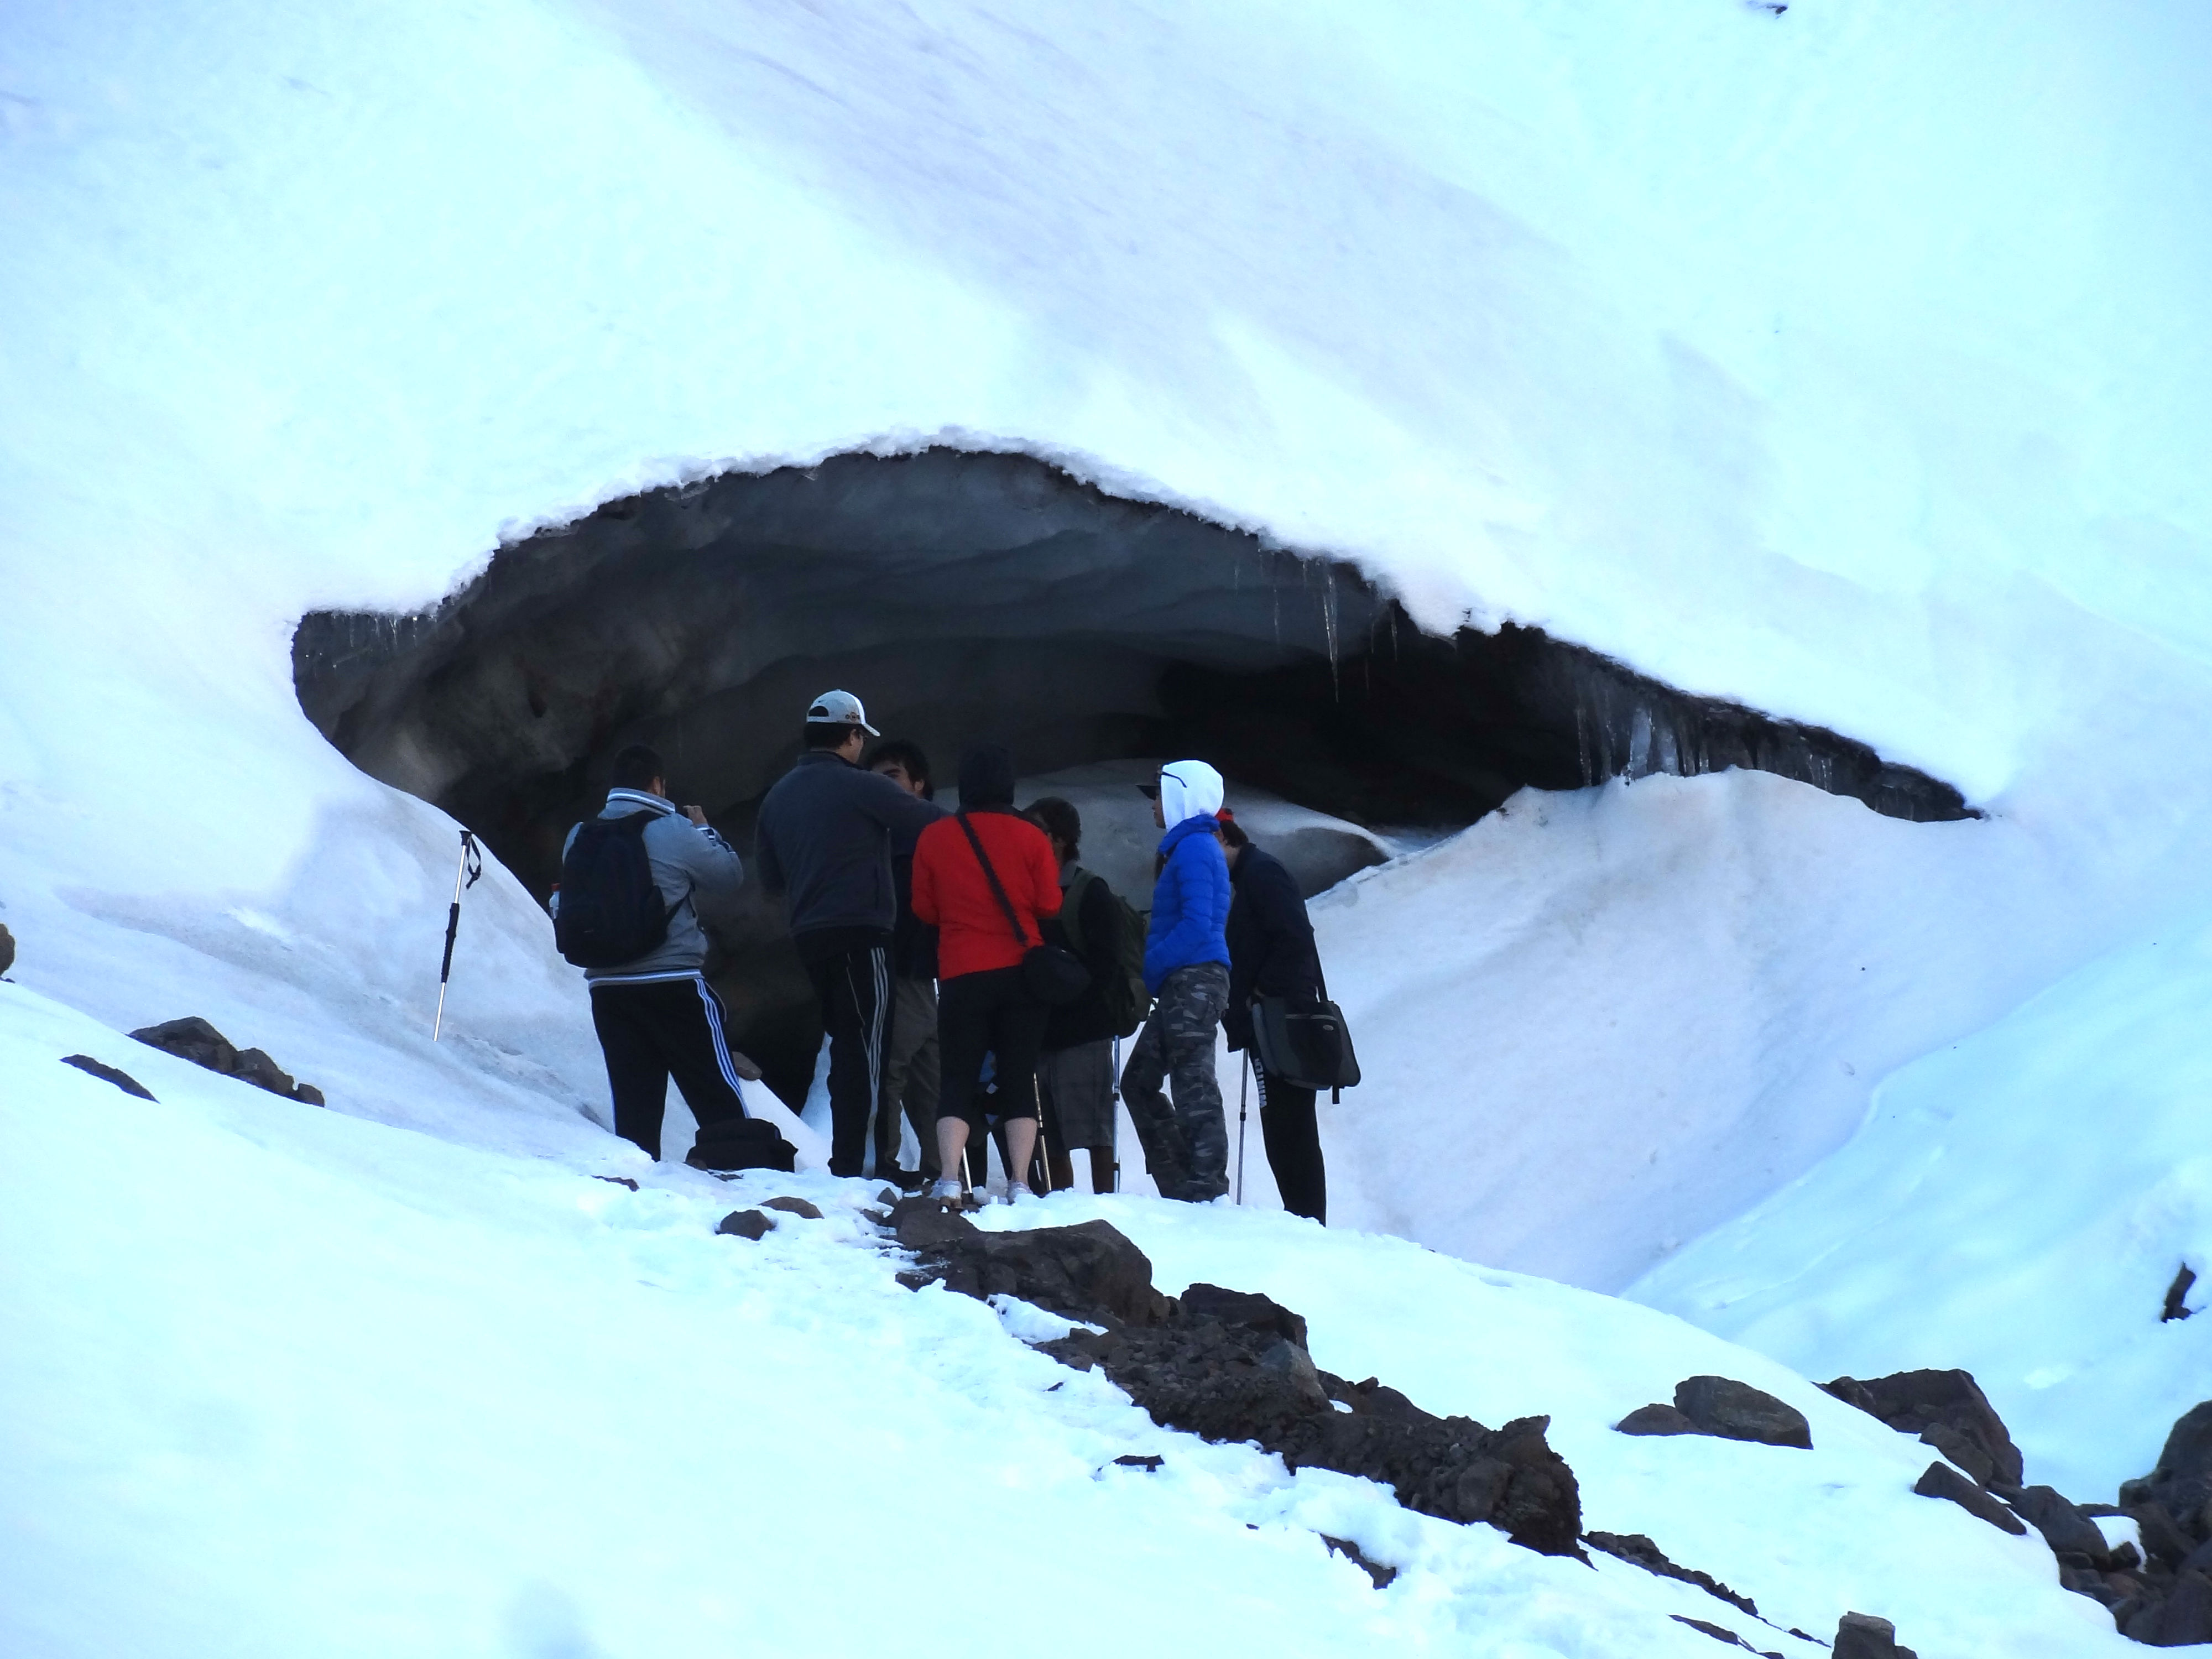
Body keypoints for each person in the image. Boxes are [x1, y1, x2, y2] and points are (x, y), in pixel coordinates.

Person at [754, 691, 943, 1177]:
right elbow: (930, 823)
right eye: (861, 737)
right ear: (852, 735)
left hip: (810, 936)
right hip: (864, 931)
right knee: (870, 1046)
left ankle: (847, 1159)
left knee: (845, 1040)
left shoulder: (778, 796)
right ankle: (869, 1162)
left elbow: (772, 880)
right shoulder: (860, 786)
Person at [559, 743, 750, 1161]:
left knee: (634, 1108)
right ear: (658, 785)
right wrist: (703, 828)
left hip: (608, 990)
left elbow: (565, 905)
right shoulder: (674, 830)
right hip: (674, 985)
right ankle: (753, 1181)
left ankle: (640, 1192)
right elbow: (729, 876)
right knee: (716, 1096)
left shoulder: (580, 835)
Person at [911, 743, 1061, 1206]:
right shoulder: (1033, 838)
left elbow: (924, 908)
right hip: (1021, 973)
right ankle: (1018, 1181)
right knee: (1019, 1076)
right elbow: (1049, 904)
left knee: (956, 1077)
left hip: (961, 971)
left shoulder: (935, 838)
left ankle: (952, 1179)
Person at [1121, 759, 1233, 1201]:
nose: (1153, 805)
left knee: (1192, 1081)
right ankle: (1185, 1184)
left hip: (1194, 979)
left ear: (1181, 796)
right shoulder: (1193, 847)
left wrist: (1153, 969)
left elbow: (1196, 925)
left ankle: (1205, 1186)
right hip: (1190, 980)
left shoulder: (1193, 849)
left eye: (1159, 795)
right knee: (1143, 1081)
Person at [1219, 815, 1329, 1222]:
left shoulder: (1261, 873)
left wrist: (1260, 995)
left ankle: (1305, 1217)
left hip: (1281, 1020)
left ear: (1222, 837)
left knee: (1289, 1123)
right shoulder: (1253, 875)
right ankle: (1303, 1215)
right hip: (1277, 1017)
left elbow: (1296, 936)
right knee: (1285, 1122)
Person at [1024, 796, 1123, 1194]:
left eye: (1037, 830)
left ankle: (1105, 1206)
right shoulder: (1029, 892)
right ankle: (1061, 1211)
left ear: (1060, 839)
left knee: (1095, 1132)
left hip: (1084, 1033)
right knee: (1052, 1138)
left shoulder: (1090, 891)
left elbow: (1107, 964)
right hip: (1042, 1033)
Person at [867, 737, 945, 1190]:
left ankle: (888, 1165)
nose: (883, 788)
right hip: (922, 967)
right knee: (925, 1069)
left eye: (893, 777)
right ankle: (942, 1166)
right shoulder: (902, 833)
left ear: (919, 784)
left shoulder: (907, 836)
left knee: (895, 1064)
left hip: (908, 965)